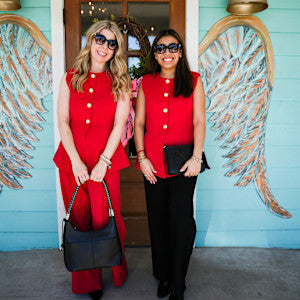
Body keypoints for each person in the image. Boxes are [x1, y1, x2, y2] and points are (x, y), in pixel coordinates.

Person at [53, 20, 131, 300]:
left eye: (112, 44)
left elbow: (119, 124)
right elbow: (63, 122)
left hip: (104, 163)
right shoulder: (70, 77)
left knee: (107, 218)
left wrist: (103, 162)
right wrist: (75, 161)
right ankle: (90, 282)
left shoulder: (120, 82)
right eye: (101, 39)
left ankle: (117, 268)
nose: (105, 47)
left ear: (116, 51)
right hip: (72, 161)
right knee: (80, 220)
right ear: (91, 40)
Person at [134, 29, 206, 300]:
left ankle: (179, 279)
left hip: (184, 163)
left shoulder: (194, 81)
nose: (167, 53)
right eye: (161, 48)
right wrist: (141, 158)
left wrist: (197, 157)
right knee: (158, 221)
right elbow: (139, 123)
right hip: (151, 164)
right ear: (155, 54)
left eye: (173, 47)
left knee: (181, 222)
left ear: (180, 51)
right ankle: (163, 274)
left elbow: (199, 121)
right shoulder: (146, 83)